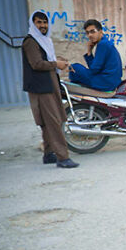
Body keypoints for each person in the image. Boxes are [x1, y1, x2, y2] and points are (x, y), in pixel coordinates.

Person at [22, 11, 79, 168]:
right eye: (39, 22)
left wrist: (57, 62)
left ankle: (49, 154)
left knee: (49, 122)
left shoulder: (44, 41)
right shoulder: (31, 42)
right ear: (33, 24)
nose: (43, 25)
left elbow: (46, 60)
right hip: (41, 88)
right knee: (53, 122)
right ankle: (63, 157)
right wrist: (56, 65)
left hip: (49, 84)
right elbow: (37, 64)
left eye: (45, 22)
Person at [68, 19, 122, 91]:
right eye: (87, 33)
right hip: (109, 81)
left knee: (74, 67)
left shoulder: (102, 44)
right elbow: (95, 68)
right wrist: (89, 52)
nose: (89, 35)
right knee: (77, 68)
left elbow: (93, 70)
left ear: (100, 31)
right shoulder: (105, 43)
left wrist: (89, 52)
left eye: (92, 32)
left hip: (106, 83)